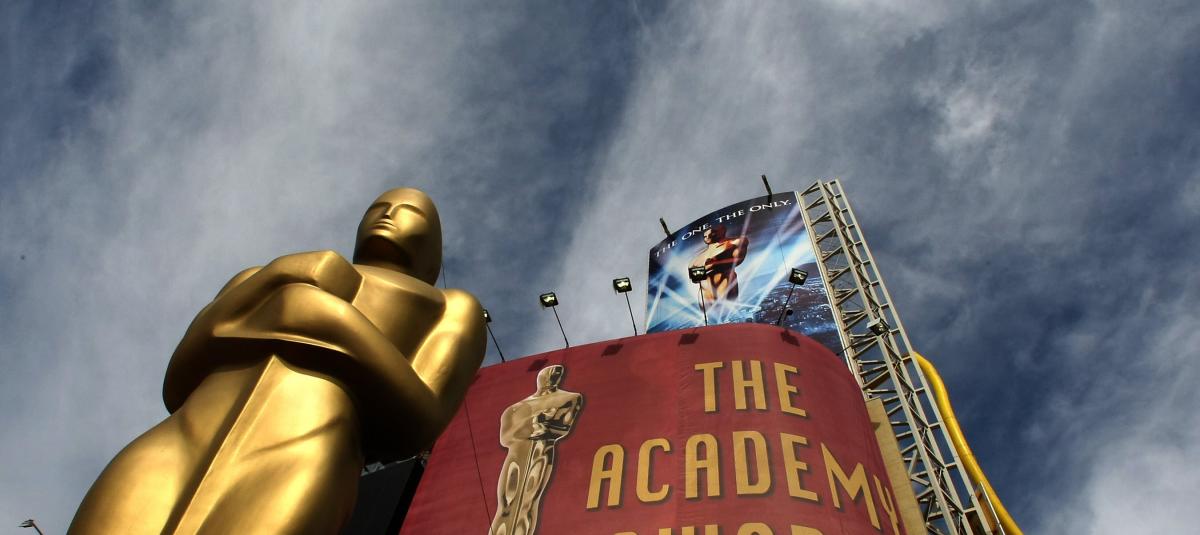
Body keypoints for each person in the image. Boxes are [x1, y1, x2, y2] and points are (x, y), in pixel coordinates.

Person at [69, 188, 485, 535]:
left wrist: (316, 314)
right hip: (174, 441)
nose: (387, 215)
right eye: (377, 208)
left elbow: (421, 416)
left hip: (301, 450)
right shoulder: (270, 274)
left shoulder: (450, 307)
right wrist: (280, 275)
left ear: (434, 251)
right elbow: (178, 376)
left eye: (409, 211)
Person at [490, 365, 583, 535]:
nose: (551, 376)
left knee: (528, 502)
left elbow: (562, 428)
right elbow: (505, 438)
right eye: (548, 373)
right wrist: (534, 423)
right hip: (515, 456)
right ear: (540, 377)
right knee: (506, 503)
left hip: (541, 453)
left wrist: (533, 427)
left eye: (556, 374)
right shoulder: (515, 408)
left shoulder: (570, 398)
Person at [689, 224, 750, 310]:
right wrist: (710, 267)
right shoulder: (697, 258)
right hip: (706, 300)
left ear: (723, 230)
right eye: (706, 235)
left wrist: (714, 264)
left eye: (713, 232)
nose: (708, 235)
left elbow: (738, 259)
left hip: (726, 295)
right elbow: (694, 279)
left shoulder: (735, 243)